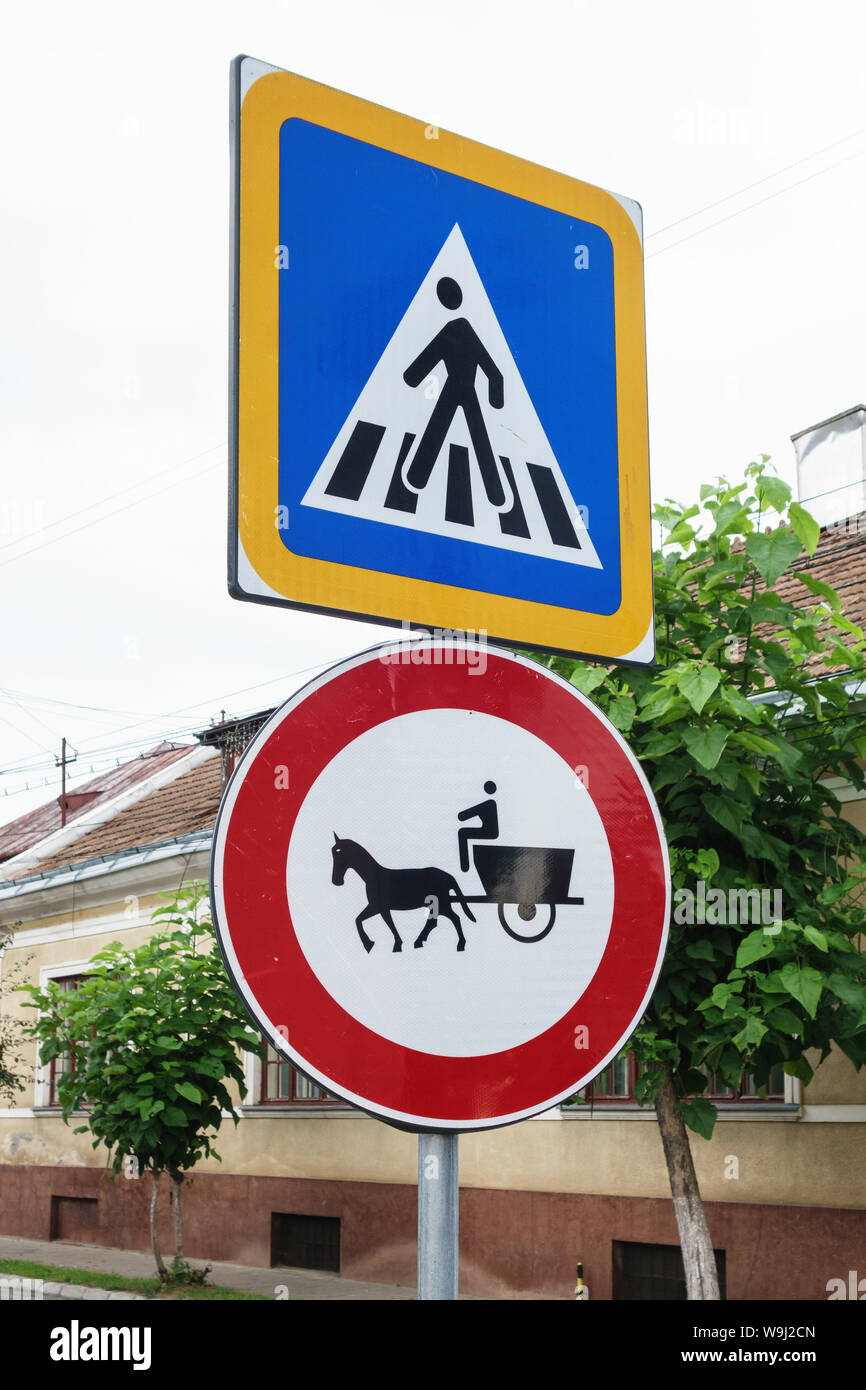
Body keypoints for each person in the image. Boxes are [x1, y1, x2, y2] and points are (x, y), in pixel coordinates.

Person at [403, 277, 507, 508]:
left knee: (443, 432)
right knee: (473, 438)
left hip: (457, 388)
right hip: (461, 389)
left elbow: (425, 361)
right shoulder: (459, 329)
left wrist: (413, 377)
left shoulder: (457, 329)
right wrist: (495, 395)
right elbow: (491, 369)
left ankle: (417, 477)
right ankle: (495, 493)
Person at [458, 780, 499, 873]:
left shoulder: (488, 804)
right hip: (490, 831)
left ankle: (465, 866)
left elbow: (462, 816)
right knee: (463, 832)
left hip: (490, 832)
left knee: (462, 833)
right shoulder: (491, 803)